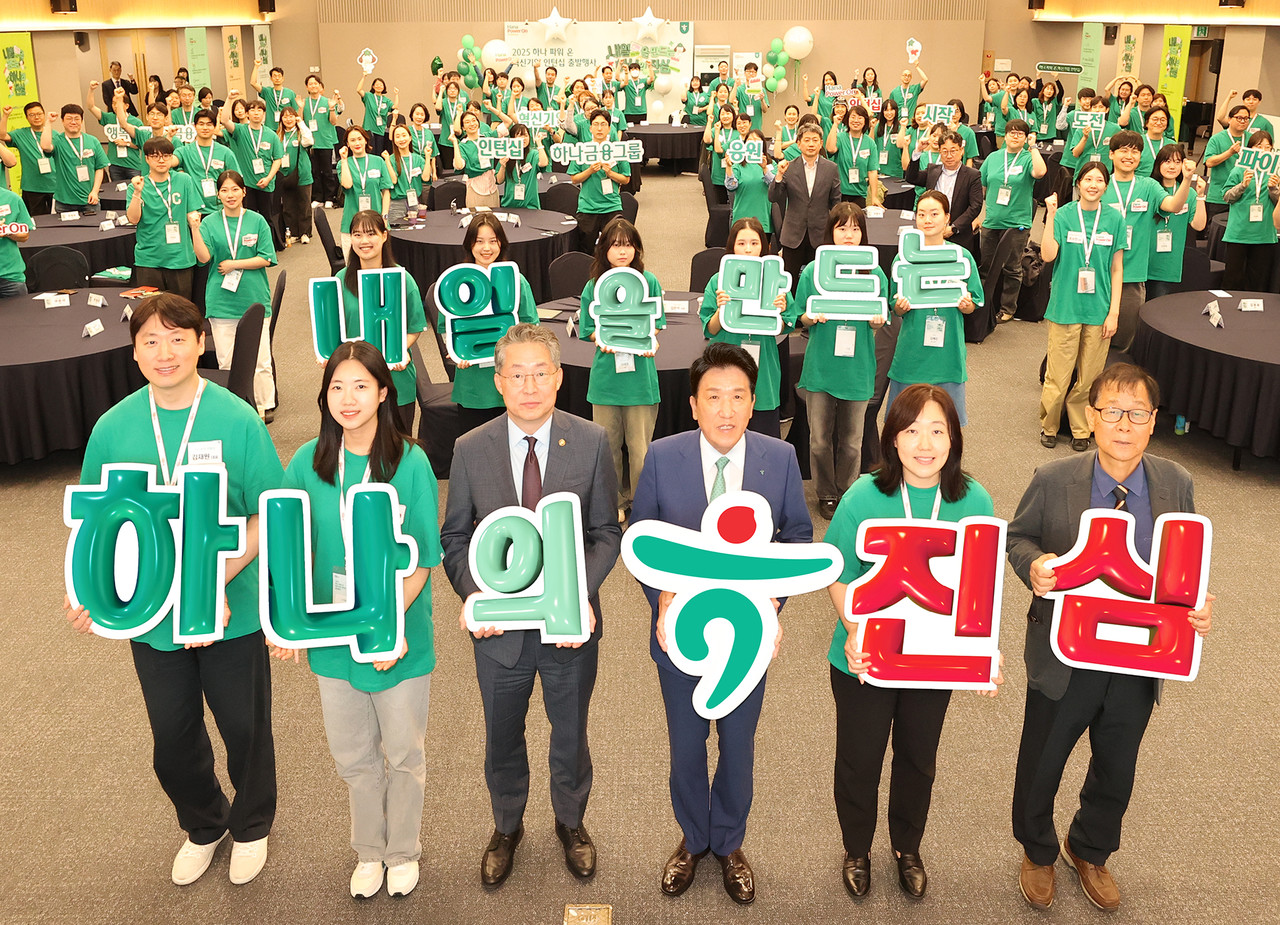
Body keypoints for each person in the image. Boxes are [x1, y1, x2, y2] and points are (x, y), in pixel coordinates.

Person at [65, 292, 281, 886]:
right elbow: (95, 526)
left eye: (178, 338)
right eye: (150, 342)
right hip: (152, 616)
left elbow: (270, 510)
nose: (165, 352)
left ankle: (253, 823)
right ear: (134, 354)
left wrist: (215, 574)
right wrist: (88, 588)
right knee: (173, 734)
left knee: (244, 726)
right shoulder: (113, 427)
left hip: (227, 610)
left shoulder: (236, 418)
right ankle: (204, 823)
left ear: (201, 342)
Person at [1008, 362, 1214, 913]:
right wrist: (1035, 566)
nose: (1124, 425)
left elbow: (1183, 566)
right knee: (1043, 757)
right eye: (1112, 412)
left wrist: (1196, 607)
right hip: (1065, 652)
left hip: (1140, 652)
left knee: (1117, 762)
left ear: (1152, 423)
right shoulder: (1054, 481)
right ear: (1092, 417)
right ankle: (1037, 850)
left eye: (1137, 414)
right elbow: (1018, 537)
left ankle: (1091, 848)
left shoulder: (1176, 483)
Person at [440, 323, 622, 888]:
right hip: (501, 636)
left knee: (570, 731)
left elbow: (605, 533)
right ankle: (506, 825)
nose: (530, 386)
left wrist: (575, 594)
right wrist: (478, 596)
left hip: (569, 628)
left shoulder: (590, 442)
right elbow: (455, 539)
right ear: (497, 381)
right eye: (516, 375)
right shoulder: (472, 450)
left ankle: (571, 822)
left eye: (541, 373)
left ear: (559, 377)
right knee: (502, 733)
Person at [630, 341, 808, 906]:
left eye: (737, 397)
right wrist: (660, 596)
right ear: (694, 404)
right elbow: (642, 542)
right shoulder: (662, 457)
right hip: (678, 635)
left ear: (753, 403)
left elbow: (796, 539)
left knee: (738, 745)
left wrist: (771, 606)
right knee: (685, 747)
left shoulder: (778, 459)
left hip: (746, 640)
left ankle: (729, 842)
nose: (726, 410)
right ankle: (692, 839)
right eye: (713, 398)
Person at [272, 341, 440, 898]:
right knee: (352, 755)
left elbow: (424, 560)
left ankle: (404, 850)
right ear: (324, 396)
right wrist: (284, 618)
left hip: (398, 638)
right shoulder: (305, 462)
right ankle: (370, 851)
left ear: (384, 393)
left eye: (361, 386)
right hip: (333, 638)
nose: (348, 398)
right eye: (337, 387)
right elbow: (286, 548)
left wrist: (386, 626)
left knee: (403, 752)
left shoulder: (409, 461)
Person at [824, 384, 998, 901]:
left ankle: (907, 846)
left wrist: (985, 650)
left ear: (955, 438)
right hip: (865, 656)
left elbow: (979, 590)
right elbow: (837, 572)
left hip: (933, 660)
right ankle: (856, 847)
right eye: (911, 430)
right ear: (892, 441)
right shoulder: (864, 496)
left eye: (938, 430)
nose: (925, 443)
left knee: (918, 756)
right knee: (860, 756)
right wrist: (855, 629)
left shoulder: (975, 500)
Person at [794, 203, 886, 518]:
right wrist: (808, 317)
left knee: (852, 441)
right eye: (841, 228)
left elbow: (881, 316)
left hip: (857, 367)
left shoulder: (873, 272)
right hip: (822, 366)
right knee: (819, 440)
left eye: (856, 228)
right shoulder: (812, 271)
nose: (849, 235)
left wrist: (876, 321)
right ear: (830, 231)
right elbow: (798, 316)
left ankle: (847, 492)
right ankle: (825, 493)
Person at [577, 217, 665, 518]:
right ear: (604, 250)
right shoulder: (593, 286)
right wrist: (602, 339)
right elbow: (587, 328)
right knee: (608, 449)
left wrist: (641, 337)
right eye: (615, 246)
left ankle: (641, 506)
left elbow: (657, 324)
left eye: (628, 245)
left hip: (640, 379)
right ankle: (612, 504)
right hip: (606, 379)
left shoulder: (648, 281)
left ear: (637, 249)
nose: (622, 252)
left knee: (640, 451)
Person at [1037, 166, 1126, 451]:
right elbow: (1047, 255)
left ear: (1106, 186)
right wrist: (1050, 215)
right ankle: (1049, 425)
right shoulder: (1064, 214)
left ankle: (1080, 428)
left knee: (1089, 378)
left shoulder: (1114, 219)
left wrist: (1114, 312)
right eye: (1088, 179)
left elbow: (1116, 269)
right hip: (1065, 307)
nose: (1093, 184)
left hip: (1098, 310)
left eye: (1099, 180)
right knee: (1058, 376)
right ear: (1078, 183)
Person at [886, 191, 983, 424]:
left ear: (947, 218)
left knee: (946, 426)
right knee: (904, 425)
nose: (927, 220)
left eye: (934, 214)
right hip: (912, 349)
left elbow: (975, 302)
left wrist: (967, 305)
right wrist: (900, 307)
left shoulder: (962, 257)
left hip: (947, 352)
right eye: (921, 214)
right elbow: (894, 306)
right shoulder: (903, 259)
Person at [190, 169, 276, 417]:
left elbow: (266, 258)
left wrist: (234, 264)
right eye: (225, 190)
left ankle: (263, 403)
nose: (230, 195)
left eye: (235, 189)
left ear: (244, 192)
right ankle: (235, 407)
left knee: (260, 358)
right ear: (218, 194)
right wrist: (195, 229)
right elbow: (204, 258)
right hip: (221, 301)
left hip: (254, 297)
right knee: (226, 360)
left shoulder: (257, 221)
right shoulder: (209, 222)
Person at [700, 217, 795, 437]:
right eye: (741, 243)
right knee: (724, 430)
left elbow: (784, 326)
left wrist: (779, 312)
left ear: (764, 246)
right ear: (732, 246)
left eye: (754, 243)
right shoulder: (718, 280)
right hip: (726, 361)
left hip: (764, 367)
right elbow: (709, 329)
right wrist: (720, 310)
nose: (748, 249)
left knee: (762, 440)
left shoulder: (776, 280)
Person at [334, 210, 426, 433]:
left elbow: (415, 327)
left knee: (399, 448)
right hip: (355, 380)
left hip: (395, 377)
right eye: (357, 235)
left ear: (384, 236)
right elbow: (333, 332)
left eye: (370, 234)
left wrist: (398, 349)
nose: (364, 241)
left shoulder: (402, 279)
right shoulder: (340, 280)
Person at [1101, 130, 1193, 352]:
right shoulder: (1100, 184)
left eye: (1135, 151)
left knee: (1123, 342)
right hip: (1100, 272)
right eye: (1123, 150)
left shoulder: (1149, 187)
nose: (1129, 156)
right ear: (1111, 154)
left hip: (1132, 275)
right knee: (1093, 336)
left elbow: (1173, 206)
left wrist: (1187, 179)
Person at [979, 119, 1047, 324]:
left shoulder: (1028, 158)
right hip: (992, 219)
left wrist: (1033, 147)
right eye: (1011, 132)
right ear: (1005, 135)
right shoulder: (993, 157)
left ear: (1026, 137)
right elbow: (982, 186)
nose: (1015, 136)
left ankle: (1008, 308)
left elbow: (1041, 172)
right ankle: (983, 304)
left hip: (1017, 222)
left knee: (1012, 267)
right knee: (986, 265)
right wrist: (979, 215)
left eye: (1020, 133)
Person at [126, 136, 202, 300]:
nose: (161, 160)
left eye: (166, 155)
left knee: (180, 312)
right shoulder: (137, 185)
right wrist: (137, 192)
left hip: (181, 258)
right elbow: (133, 219)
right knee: (152, 314)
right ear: (147, 159)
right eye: (155, 156)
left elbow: (193, 213)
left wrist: (195, 220)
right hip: (149, 260)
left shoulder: (184, 180)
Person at [770, 124, 841, 284]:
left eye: (815, 140)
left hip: (820, 234)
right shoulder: (787, 166)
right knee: (789, 281)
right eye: (807, 140)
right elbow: (773, 197)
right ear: (798, 143)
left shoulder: (831, 168)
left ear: (821, 143)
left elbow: (836, 202)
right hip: (793, 234)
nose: (811, 144)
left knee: (818, 280)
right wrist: (779, 175)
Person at [220, 94, 285, 251]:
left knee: (267, 217)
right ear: (247, 114)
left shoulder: (271, 134)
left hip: (266, 183)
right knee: (247, 217)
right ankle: (249, 248)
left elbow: (278, 159)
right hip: (246, 184)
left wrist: (269, 178)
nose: (256, 113)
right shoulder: (241, 131)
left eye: (260, 110)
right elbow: (224, 121)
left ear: (264, 114)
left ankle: (268, 248)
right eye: (252, 110)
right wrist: (228, 99)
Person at [905, 130, 982, 255]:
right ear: (940, 152)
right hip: (933, 233)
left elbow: (975, 206)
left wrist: (954, 228)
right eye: (945, 151)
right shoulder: (933, 170)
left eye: (953, 151)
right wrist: (917, 151)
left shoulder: (972, 175)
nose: (949, 155)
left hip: (959, 235)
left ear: (961, 151)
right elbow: (911, 178)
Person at [1220, 130, 1280, 290]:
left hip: (1264, 234)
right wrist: (1243, 185)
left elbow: (1278, 203)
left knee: (1258, 280)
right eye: (1258, 146)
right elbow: (1226, 197)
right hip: (1239, 233)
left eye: (1267, 147)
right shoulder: (1239, 170)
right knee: (1232, 278)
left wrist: (1274, 189)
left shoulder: (1274, 172)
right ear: (1250, 149)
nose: (1263, 150)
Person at [1146, 145, 1208, 300]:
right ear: (1158, 164)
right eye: (1167, 161)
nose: (1172, 166)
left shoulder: (1189, 192)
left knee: (1157, 310)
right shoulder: (1148, 188)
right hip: (1142, 261)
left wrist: (1200, 196)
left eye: (1177, 161)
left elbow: (1199, 225)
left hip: (1168, 264)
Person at [569, 110, 630, 254]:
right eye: (595, 124)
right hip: (587, 208)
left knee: (614, 249)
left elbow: (626, 179)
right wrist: (590, 171)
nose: (599, 128)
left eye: (603, 124)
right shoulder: (582, 150)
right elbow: (574, 179)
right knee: (586, 250)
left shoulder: (618, 150)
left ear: (610, 128)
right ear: (590, 128)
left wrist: (611, 173)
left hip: (612, 206)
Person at [173, 109, 239, 216]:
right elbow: (171, 162)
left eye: (209, 124)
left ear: (214, 127)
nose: (205, 128)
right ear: (195, 126)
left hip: (220, 210)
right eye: (201, 124)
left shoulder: (226, 152)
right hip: (194, 211)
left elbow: (237, 181)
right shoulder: (184, 151)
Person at [338, 127, 391, 254]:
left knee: (380, 263)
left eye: (359, 139)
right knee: (353, 266)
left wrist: (384, 216)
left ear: (366, 141)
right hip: (351, 222)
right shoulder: (343, 163)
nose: (357, 143)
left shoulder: (378, 161)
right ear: (347, 144)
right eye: (352, 140)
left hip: (377, 220)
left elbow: (386, 192)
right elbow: (347, 184)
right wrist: (344, 159)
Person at [49, 104, 108, 212]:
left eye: (77, 119)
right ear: (62, 121)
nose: (73, 122)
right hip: (64, 203)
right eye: (69, 119)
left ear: (81, 121)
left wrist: (95, 191)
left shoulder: (93, 141)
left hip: (89, 200)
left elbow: (100, 168)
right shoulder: (57, 141)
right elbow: (45, 146)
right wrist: (48, 123)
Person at [0, 102, 56, 215]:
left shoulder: (54, 134)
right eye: (32, 115)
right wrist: (5, 116)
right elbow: (2, 135)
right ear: (26, 117)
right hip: (32, 188)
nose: (36, 117)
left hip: (55, 186)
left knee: (58, 222)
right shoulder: (21, 134)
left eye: (39, 114)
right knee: (36, 223)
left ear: (44, 115)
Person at [1203, 104, 1251, 224]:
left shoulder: (1252, 139)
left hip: (1244, 197)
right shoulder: (1216, 139)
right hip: (1219, 197)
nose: (1243, 121)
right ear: (1229, 119)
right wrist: (1229, 153)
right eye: (1239, 118)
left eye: (1246, 118)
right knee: (1216, 233)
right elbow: (1209, 162)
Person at [87, 81, 143, 182]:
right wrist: (91, 90)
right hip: (115, 164)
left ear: (126, 105)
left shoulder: (136, 122)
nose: (115, 105)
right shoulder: (109, 118)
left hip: (133, 165)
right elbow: (91, 107)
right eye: (113, 103)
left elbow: (141, 144)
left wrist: (126, 143)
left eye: (118, 102)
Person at [302, 75, 343, 208]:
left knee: (327, 171)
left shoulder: (327, 101)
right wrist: (300, 108)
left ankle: (329, 197)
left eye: (316, 83)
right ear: (307, 87)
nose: (313, 86)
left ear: (320, 86)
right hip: (310, 142)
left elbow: (333, 121)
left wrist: (331, 108)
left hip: (325, 141)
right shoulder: (304, 103)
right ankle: (317, 197)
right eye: (310, 84)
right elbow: (299, 120)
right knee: (314, 171)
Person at [827, 104, 879, 208]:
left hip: (859, 193)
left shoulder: (870, 143)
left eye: (860, 118)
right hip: (839, 192)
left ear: (865, 121)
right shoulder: (840, 137)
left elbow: (872, 171)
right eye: (853, 117)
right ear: (847, 119)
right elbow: (830, 149)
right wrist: (835, 125)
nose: (856, 120)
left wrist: (874, 196)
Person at [724, 129, 774, 234]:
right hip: (742, 216)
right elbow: (730, 186)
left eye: (756, 140)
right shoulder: (738, 164)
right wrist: (729, 167)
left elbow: (775, 186)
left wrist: (765, 169)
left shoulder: (770, 163)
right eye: (750, 140)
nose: (753, 143)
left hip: (763, 217)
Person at [276, 106, 313, 244]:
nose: (288, 119)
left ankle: (305, 232)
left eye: (291, 116)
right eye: (285, 116)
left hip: (302, 174)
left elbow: (309, 141)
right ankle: (292, 232)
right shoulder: (278, 135)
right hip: (284, 174)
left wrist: (301, 122)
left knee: (304, 204)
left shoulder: (300, 133)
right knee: (288, 205)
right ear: (281, 119)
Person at [453, 110, 500, 209]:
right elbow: (459, 165)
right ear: (463, 128)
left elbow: (508, 123)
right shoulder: (463, 145)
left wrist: (491, 108)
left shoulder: (487, 137)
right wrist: (455, 143)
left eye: (474, 120)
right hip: (475, 188)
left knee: (494, 220)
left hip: (492, 187)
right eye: (467, 122)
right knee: (476, 220)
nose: (471, 124)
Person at [384, 122, 427, 222]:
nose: (402, 139)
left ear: (410, 137)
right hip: (396, 204)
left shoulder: (418, 159)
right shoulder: (390, 159)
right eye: (397, 136)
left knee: (416, 230)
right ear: (394, 140)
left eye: (404, 135)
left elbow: (425, 178)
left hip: (414, 201)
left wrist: (428, 156)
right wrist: (386, 161)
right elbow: (393, 181)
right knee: (396, 232)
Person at [0, 183, 33, 297]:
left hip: (11, 277)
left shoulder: (13, 199)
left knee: (21, 314)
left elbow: (25, 235)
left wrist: (7, 231)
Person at [356, 74, 397, 155]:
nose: (379, 86)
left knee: (379, 152)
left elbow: (395, 107)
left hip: (380, 129)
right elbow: (358, 90)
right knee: (370, 151)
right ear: (373, 86)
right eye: (377, 84)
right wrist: (364, 76)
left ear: (384, 87)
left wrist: (396, 94)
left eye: (381, 85)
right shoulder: (368, 96)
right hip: (368, 128)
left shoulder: (386, 100)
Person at [250, 63, 298, 129]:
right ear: (271, 79)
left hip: (286, 127)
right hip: (270, 127)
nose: (277, 78)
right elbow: (253, 83)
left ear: (283, 78)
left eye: (279, 76)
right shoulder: (267, 91)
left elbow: (296, 111)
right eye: (275, 76)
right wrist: (256, 66)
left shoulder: (290, 93)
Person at [620, 60, 656, 125]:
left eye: (636, 69)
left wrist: (650, 66)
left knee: (642, 131)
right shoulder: (627, 82)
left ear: (639, 71)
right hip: (629, 112)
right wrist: (625, 71)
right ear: (630, 71)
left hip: (642, 112)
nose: (634, 71)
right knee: (630, 131)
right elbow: (617, 78)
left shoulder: (643, 81)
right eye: (632, 70)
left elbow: (651, 79)